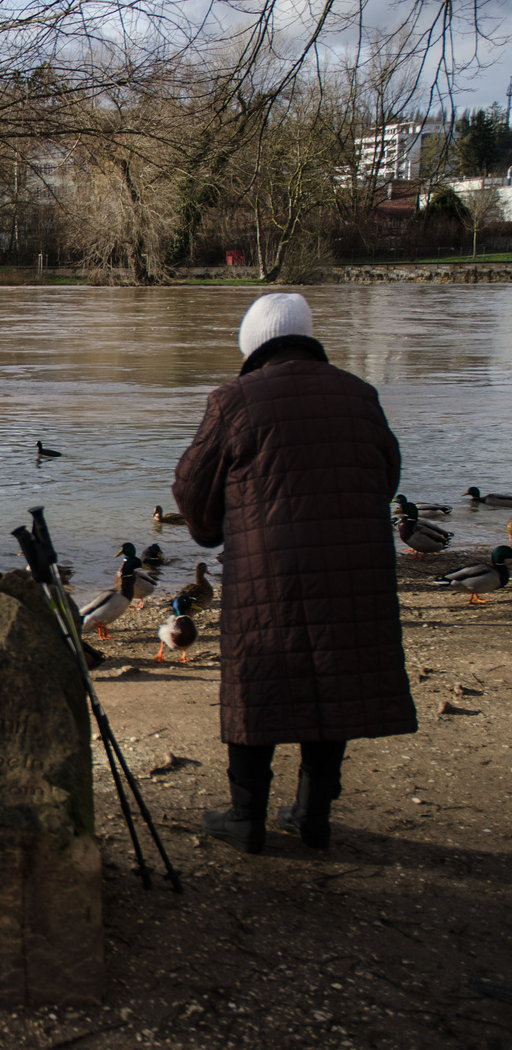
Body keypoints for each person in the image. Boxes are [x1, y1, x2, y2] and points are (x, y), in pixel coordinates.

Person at [172, 292, 415, 853]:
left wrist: (212, 530)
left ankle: (245, 819)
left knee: (258, 684)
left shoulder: (234, 400)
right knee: (333, 679)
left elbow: (191, 487)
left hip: (269, 571)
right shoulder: (360, 394)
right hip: (354, 568)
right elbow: (388, 476)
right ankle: (312, 817)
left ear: (252, 345)